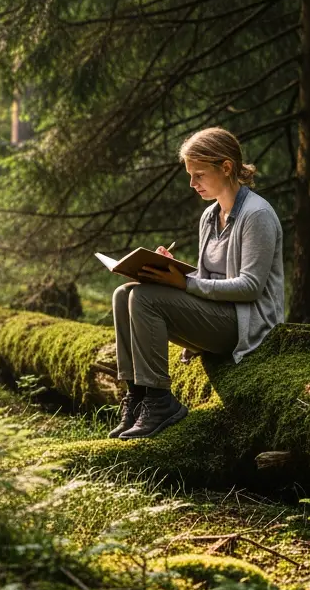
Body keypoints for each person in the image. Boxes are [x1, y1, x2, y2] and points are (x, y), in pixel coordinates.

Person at [109, 127, 285, 439]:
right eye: (191, 175)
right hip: (215, 314)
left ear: (226, 167)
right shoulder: (209, 216)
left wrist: (183, 284)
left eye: (199, 175)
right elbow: (205, 280)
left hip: (246, 325)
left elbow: (249, 287)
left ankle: (160, 401)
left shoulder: (257, 215)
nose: (193, 184)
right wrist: (167, 269)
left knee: (145, 299)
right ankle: (136, 399)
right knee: (125, 294)